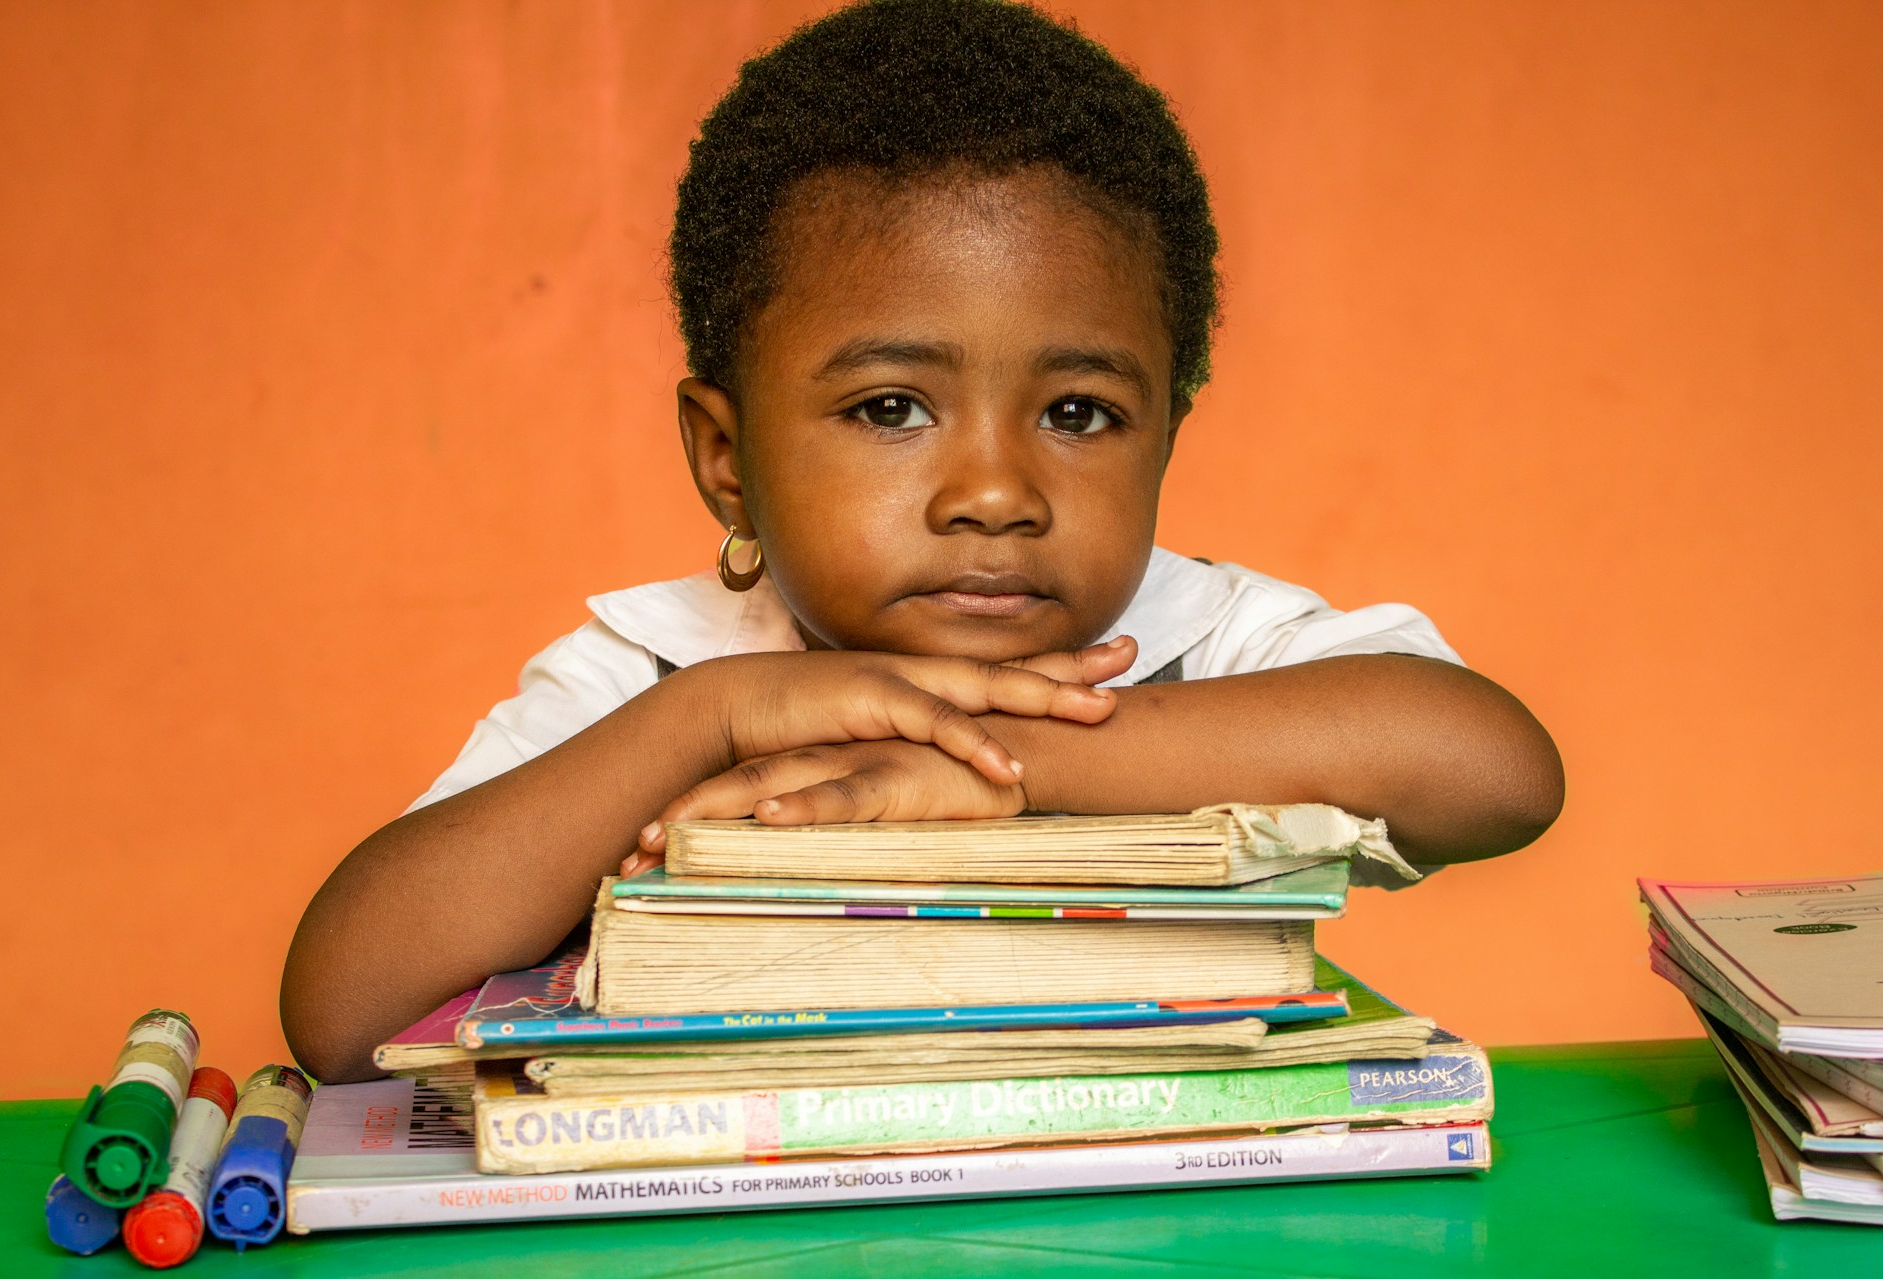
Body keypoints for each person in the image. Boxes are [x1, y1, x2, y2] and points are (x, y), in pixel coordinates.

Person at [282, 0, 1564, 1084]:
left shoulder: (1199, 645)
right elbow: (342, 1010)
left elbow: (1496, 768)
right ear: (727, 461)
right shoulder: (663, 677)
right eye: (891, 408)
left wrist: (1003, 760)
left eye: (1079, 412)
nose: (995, 491)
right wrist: (715, 722)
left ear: (1167, 436)